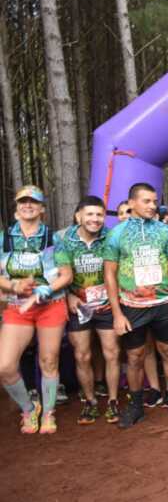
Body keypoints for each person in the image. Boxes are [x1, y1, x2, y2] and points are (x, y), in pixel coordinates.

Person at [103, 182, 168, 428]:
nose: (153, 206)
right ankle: (136, 407)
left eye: (155, 201)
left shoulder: (164, 232)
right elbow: (109, 275)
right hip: (132, 306)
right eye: (147, 201)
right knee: (134, 357)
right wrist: (117, 314)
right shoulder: (116, 234)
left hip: (164, 304)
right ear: (131, 203)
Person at [0, 185, 72, 434]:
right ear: (17, 208)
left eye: (33, 202)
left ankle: (48, 411)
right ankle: (29, 408)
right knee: (5, 366)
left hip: (50, 304)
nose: (28, 205)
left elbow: (66, 274)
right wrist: (13, 285)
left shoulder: (53, 238)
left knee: (48, 360)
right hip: (18, 306)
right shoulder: (4, 238)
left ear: (42, 208)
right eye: (23, 202)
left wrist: (44, 290)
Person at [57, 196, 121, 425]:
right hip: (79, 307)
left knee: (111, 352)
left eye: (99, 215)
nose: (95, 219)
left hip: (106, 305)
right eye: (90, 214)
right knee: (82, 355)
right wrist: (68, 296)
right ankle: (91, 402)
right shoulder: (65, 241)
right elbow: (59, 274)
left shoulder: (111, 238)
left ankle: (113, 401)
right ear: (79, 216)